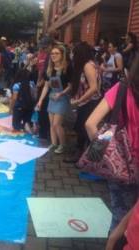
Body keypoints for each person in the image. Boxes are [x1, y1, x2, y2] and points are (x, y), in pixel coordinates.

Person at [86, 53, 139, 233]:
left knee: (119, 217)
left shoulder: (122, 88)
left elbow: (90, 124)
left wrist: (108, 155)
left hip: (122, 168)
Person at [64, 42, 101, 163]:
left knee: (83, 128)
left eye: (73, 52)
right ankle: (84, 155)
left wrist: (79, 100)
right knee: (81, 128)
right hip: (85, 102)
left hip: (90, 103)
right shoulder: (85, 65)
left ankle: (86, 156)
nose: (71, 54)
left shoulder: (87, 65)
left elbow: (94, 87)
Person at [37, 45, 72, 154]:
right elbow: (46, 86)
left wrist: (61, 93)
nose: (54, 55)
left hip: (62, 98)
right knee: (51, 123)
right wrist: (40, 100)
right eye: (52, 53)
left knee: (57, 124)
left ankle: (63, 144)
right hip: (52, 97)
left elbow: (71, 85)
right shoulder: (50, 69)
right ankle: (54, 143)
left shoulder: (67, 68)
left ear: (62, 55)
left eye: (57, 53)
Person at [10, 69, 35, 133]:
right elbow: (34, 96)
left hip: (19, 106)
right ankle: (27, 124)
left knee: (15, 125)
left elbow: (14, 98)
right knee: (27, 119)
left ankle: (23, 126)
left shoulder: (17, 85)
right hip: (30, 106)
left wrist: (11, 108)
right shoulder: (32, 83)